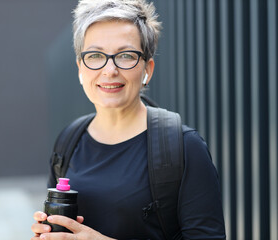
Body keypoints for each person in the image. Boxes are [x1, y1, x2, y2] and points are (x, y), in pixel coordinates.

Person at [31, 0, 226, 239]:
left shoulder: (185, 148)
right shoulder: (68, 141)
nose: (110, 70)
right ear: (80, 68)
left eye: (125, 55)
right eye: (94, 55)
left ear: (148, 69)